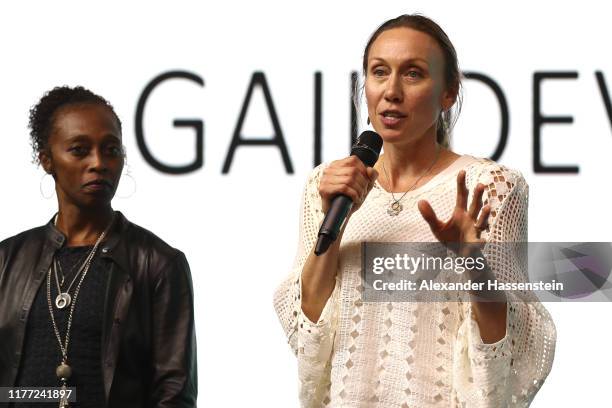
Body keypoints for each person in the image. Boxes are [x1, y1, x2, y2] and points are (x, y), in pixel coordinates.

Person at [274, 14, 555, 407]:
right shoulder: (331, 183)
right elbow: (308, 326)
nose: (391, 91)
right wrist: (334, 225)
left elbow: (507, 348)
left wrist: (473, 263)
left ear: (448, 92)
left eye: (413, 74)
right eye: (379, 72)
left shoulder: (490, 186)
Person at [0, 86, 197, 407]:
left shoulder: (158, 263)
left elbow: (174, 393)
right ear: (47, 160)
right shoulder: (7, 259)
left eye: (111, 150)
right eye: (79, 150)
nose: (99, 163)